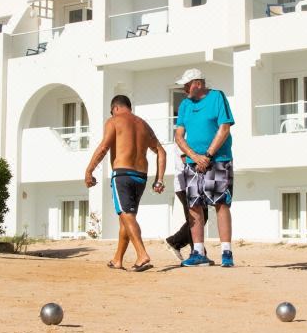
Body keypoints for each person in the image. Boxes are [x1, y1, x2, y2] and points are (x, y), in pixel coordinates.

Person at [84, 94, 166, 271]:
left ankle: (142, 254)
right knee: (127, 219)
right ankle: (117, 260)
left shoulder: (114, 120)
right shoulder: (143, 124)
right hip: (141, 177)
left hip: (122, 174)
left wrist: (89, 170)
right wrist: (159, 180)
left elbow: (104, 147)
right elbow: (161, 151)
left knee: (126, 215)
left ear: (115, 108)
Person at [173, 68, 236, 268]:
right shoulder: (184, 105)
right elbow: (179, 136)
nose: (184, 89)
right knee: (193, 206)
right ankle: (198, 252)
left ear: (198, 83)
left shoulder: (217, 97)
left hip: (218, 159)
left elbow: (224, 128)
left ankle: (226, 251)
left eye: (187, 84)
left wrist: (208, 156)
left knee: (220, 203)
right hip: (193, 163)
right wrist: (195, 157)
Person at [162, 153, 210, 263]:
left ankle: (195, 250)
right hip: (185, 184)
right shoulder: (183, 138)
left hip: (193, 183)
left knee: (197, 217)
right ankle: (178, 243)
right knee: (196, 218)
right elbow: (185, 158)